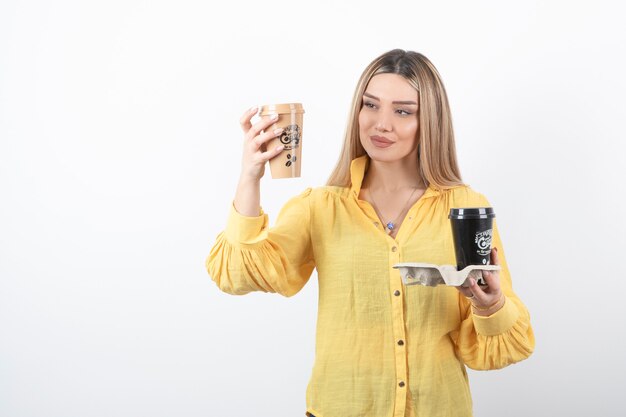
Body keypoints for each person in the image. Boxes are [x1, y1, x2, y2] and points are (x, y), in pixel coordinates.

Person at [206, 49, 534, 417]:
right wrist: (250, 178)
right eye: (371, 105)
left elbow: (497, 349)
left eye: (403, 111)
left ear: (431, 122)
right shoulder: (321, 207)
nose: (381, 124)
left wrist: (491, 306)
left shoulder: (465, 208)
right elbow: (238, 275)